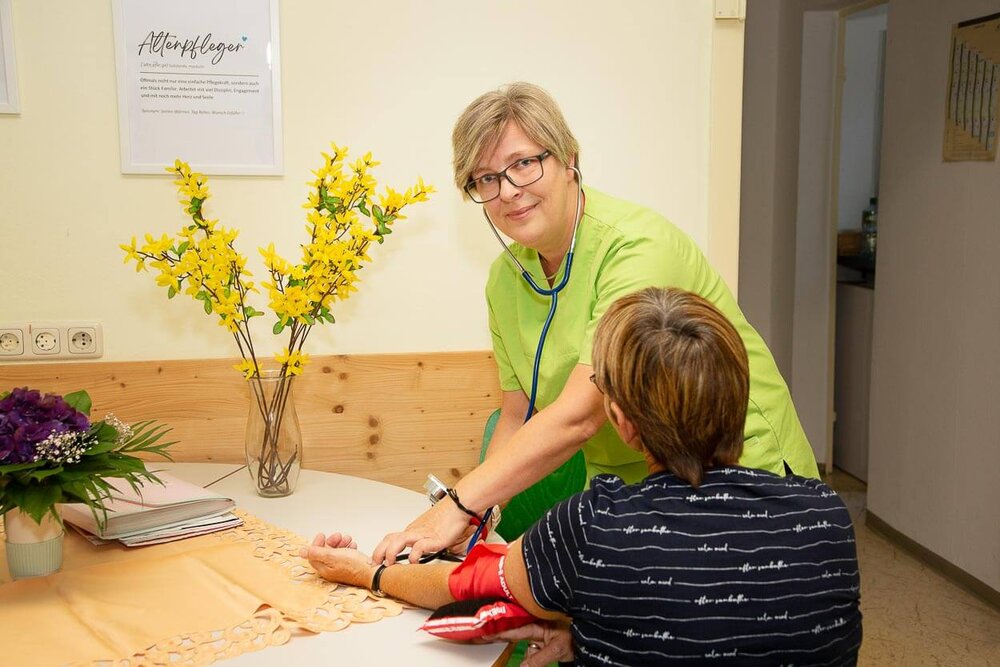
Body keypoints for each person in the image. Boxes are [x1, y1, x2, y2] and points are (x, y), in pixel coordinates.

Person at [374, 82, 820, 566]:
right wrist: (479, 517)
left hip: (732, 471)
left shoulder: (636, 249)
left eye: (524, 163)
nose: (508, 191)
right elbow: (516, 413)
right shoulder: (505, 281)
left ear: (568, 158)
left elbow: (582, 414)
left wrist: (459, 504)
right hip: (630, 489)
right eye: (485, 179)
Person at [303, 287, 862, 666]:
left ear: (620, 420)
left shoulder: (595, 528)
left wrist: (364, 574)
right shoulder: (826, 515)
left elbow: (459, 585)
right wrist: (581, 634)